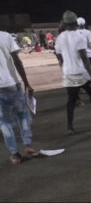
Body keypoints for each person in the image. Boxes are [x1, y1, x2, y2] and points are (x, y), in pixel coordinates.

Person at [55, 11, 91, 135]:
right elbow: (84, 58)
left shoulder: (60, 37)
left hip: (68, 73)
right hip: (81, 72)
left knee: (71, 101)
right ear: (75, 23)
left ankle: (70, 126)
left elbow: (59, 56)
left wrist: (63, 66)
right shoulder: (79, 37)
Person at [0, 29, 37, 164]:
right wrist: (26, 83)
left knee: (4, 122)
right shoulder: (5, 36)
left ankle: (14, 155)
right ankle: (27, 144)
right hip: (12, 83)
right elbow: (17, 61)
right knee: (22, 115)